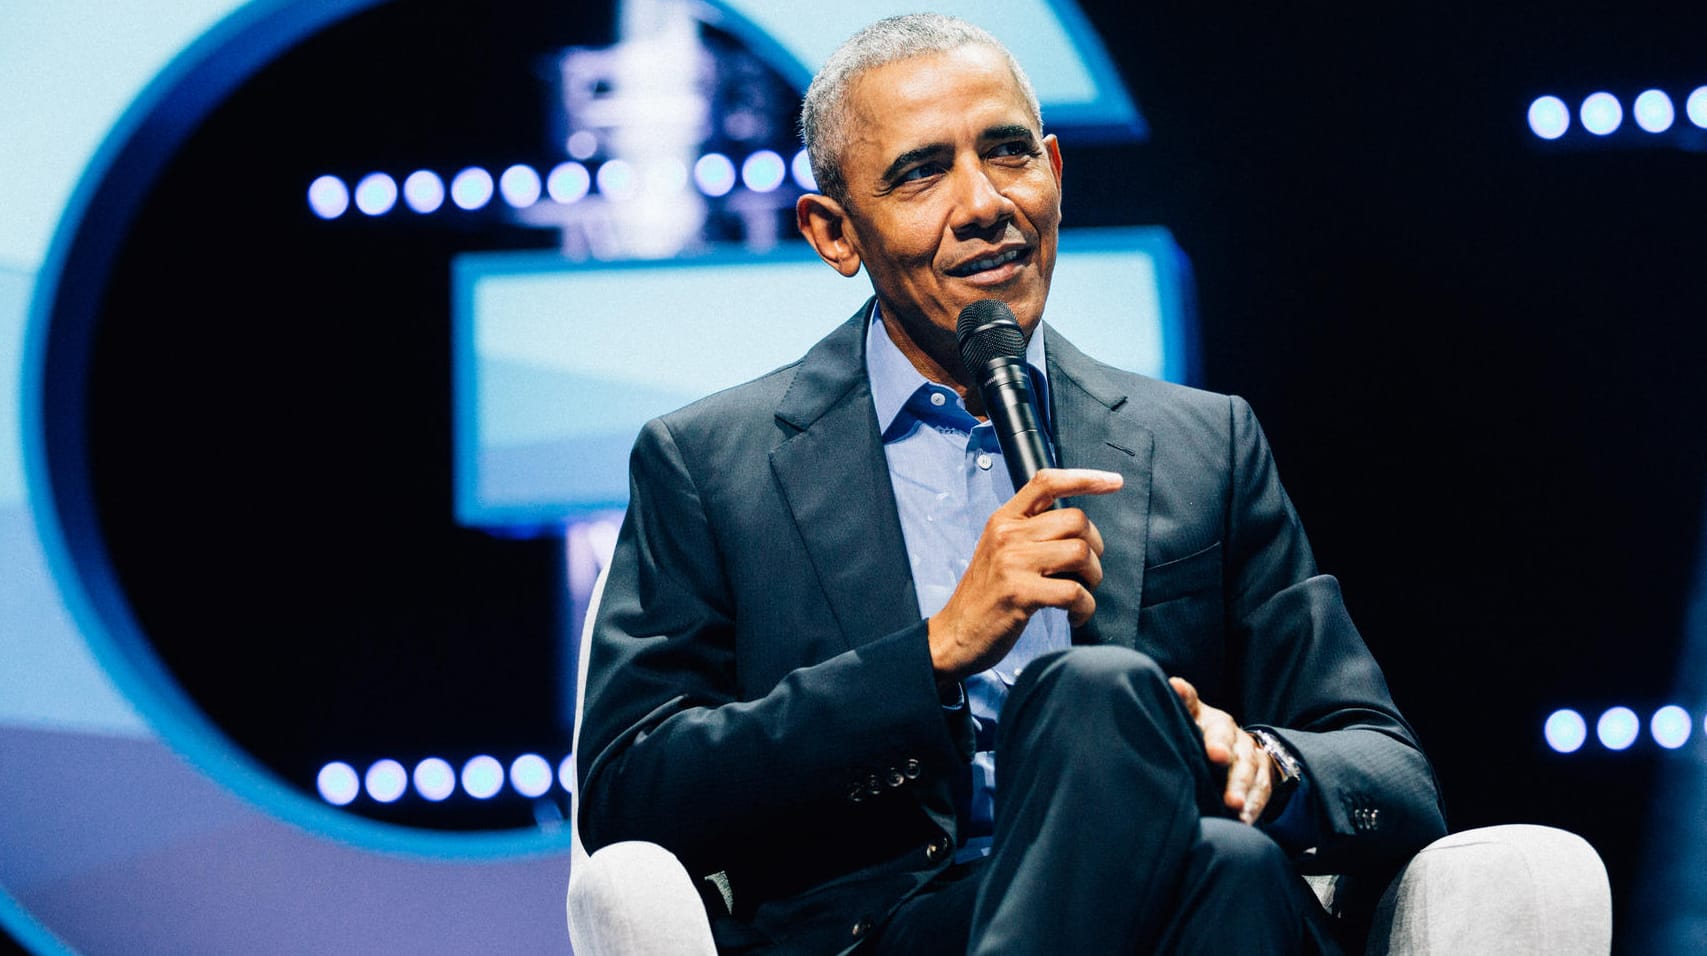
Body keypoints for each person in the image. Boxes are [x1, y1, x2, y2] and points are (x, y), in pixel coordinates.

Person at [575, 13, 1446, 955]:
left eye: (1008, 154)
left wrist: (1264, 765)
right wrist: (933, 653)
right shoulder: (713, 463)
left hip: (1197, 911)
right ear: (834, 233)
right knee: (1190, 816)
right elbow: (632, 791)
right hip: (900, 928)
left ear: (1056, 175)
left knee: (1155, 765)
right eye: (920, 173)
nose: (985, 203)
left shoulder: (1203, 441)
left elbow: (1387, 774)